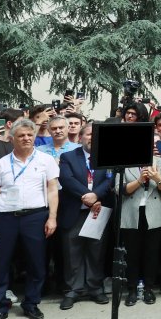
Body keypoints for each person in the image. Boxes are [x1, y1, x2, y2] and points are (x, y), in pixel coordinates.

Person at [0, 119, 59, 319]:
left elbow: (52, 190)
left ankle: (31, 302)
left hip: (36, 217)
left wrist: (52, 217)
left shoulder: (46, 160)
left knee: (37, 262)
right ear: (12, 138)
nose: (26, 138)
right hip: (5, 217)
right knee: (0, 263)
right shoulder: (0, 164)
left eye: (29, 135)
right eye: (21, 135)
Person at [57, 123, 115, 309]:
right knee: (72, 251)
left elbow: (110, 179)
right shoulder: (68, 157)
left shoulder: (107, 156)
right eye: (89, 134)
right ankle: (72, 290)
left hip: (97, 211)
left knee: (96, 251)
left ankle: (95, 288)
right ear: (81, 137)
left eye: (96, 135)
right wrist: (87, 197)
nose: (92, 138)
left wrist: (96, 195)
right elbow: (66, 180)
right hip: (75, 210)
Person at [120, 150, 161, 306]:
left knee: (152, 253)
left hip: (154, 212)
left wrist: (157, 178)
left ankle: (149, 288)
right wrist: (140, 180)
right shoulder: (123, 163)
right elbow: (119, 189)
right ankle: (132, 290)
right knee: (132, 254)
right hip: (131, 213)